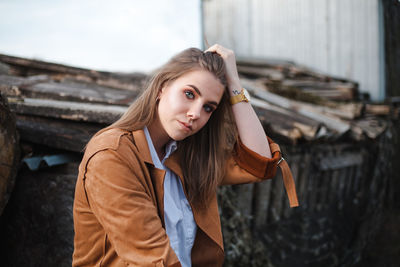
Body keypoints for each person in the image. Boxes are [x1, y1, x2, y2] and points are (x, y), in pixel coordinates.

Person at [72, 44, 298, 267]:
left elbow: (259, 164)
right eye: (189, 94)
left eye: (208, 107)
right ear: (162, 87)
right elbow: (153, 259)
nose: (195, 114)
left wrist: (235, 85)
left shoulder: (187, 154)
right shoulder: (112, 155)